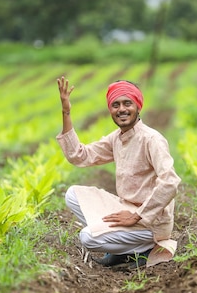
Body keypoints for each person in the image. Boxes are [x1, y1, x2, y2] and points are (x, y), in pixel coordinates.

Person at [55, 75, 181, 269]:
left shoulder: (151, 139)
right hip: (126, 209)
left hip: (151, 221)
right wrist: (66, 112)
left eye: (127, 103)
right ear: (110, 110)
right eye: (115, 105)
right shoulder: (117, 138)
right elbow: (79, 155)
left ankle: (143, 249)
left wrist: (137, 216)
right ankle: (124, 249)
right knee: (73, 194)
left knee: (87, 237)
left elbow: (170, 182)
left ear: (138, 106)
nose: (121, 109)